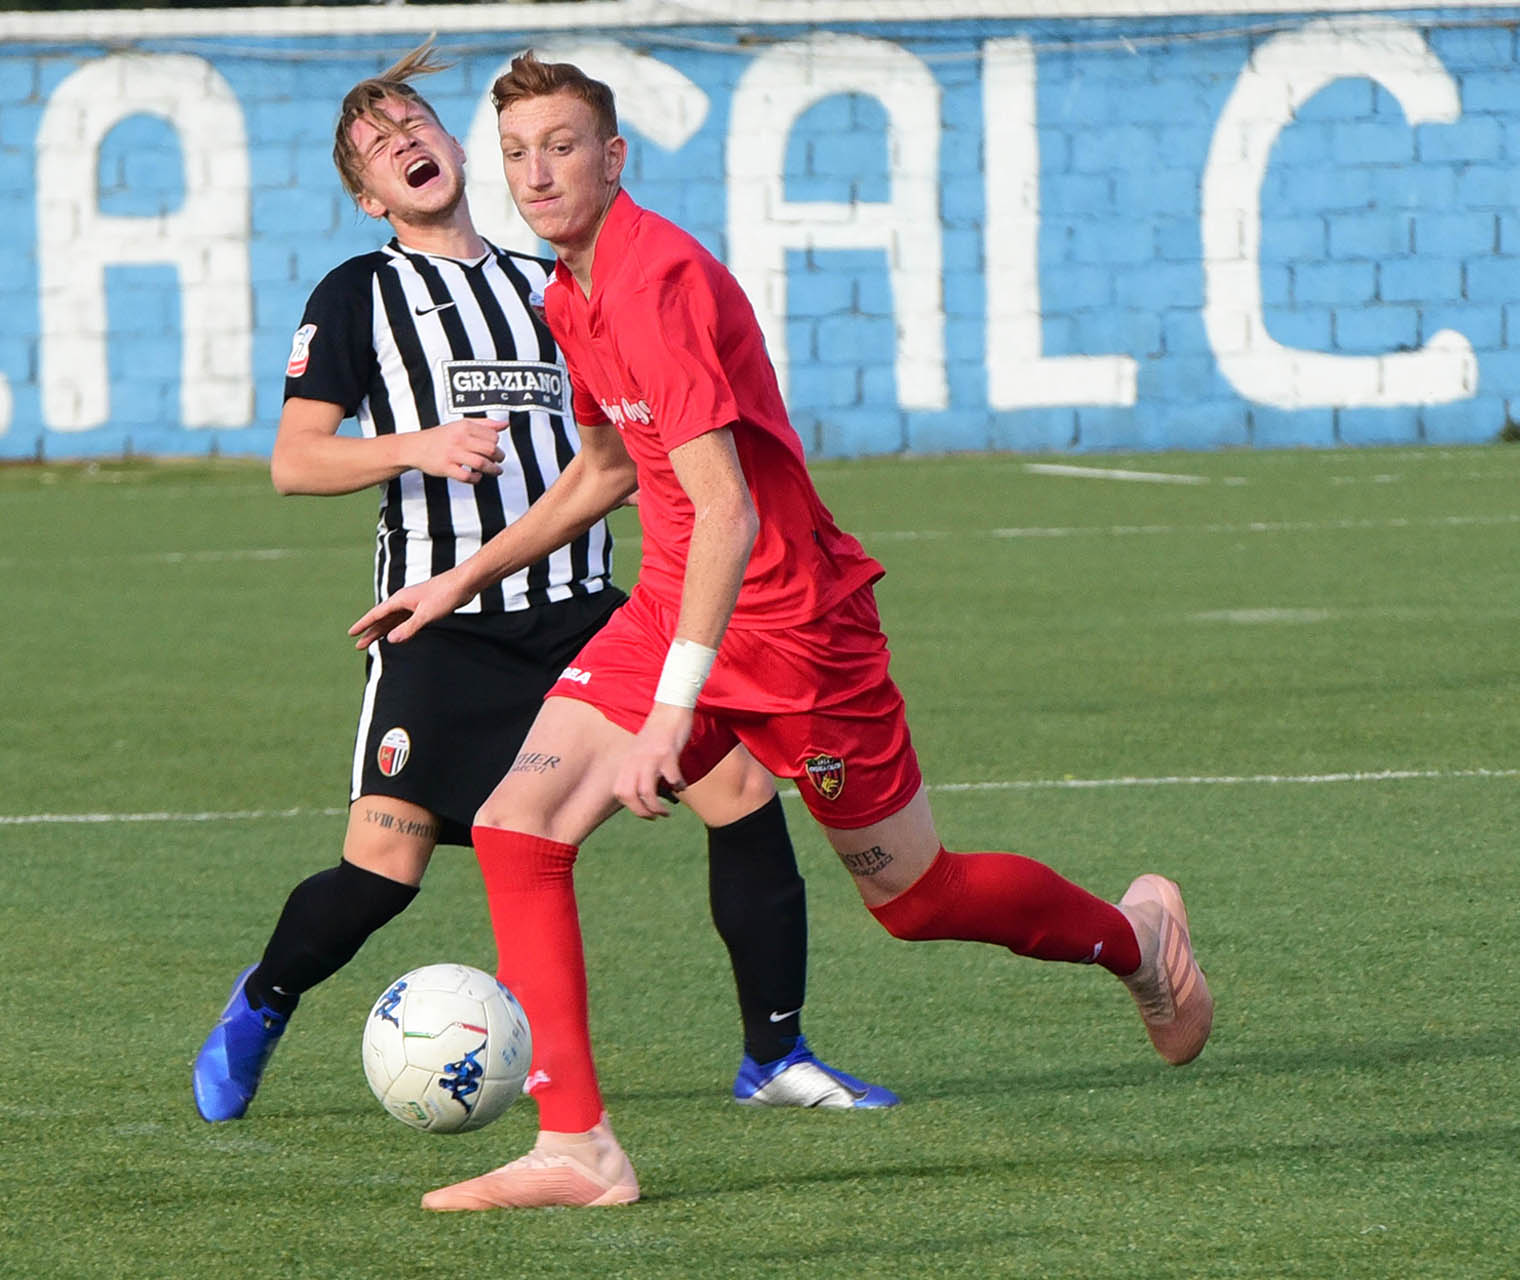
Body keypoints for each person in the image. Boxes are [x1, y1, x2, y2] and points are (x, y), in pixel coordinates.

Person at [349, 52, 1215, 1212]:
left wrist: (670, 715)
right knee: (518, 822)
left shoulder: (655, 280)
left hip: (801, 628)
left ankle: (1136, 939)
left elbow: (731, 510)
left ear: (615, 156)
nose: (535, 172)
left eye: (561, 145)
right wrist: (463, 577)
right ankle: (579, 1146)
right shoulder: (571, 290)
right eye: (514, 152)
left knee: (918, 898)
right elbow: (608, 470)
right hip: (683, 602)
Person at [190, 44, 895, 1128]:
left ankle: (776, 1052)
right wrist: (414, 445)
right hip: (443, 624)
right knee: (384, 868)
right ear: (365, 192)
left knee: (742, 795)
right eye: (378, 147)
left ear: (456, 145)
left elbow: (620, 452)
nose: (404, 146)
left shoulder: (551, 284)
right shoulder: (360, 294)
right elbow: (295, 461)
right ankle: (265, 997)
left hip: (582, 615)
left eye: (415, 125)